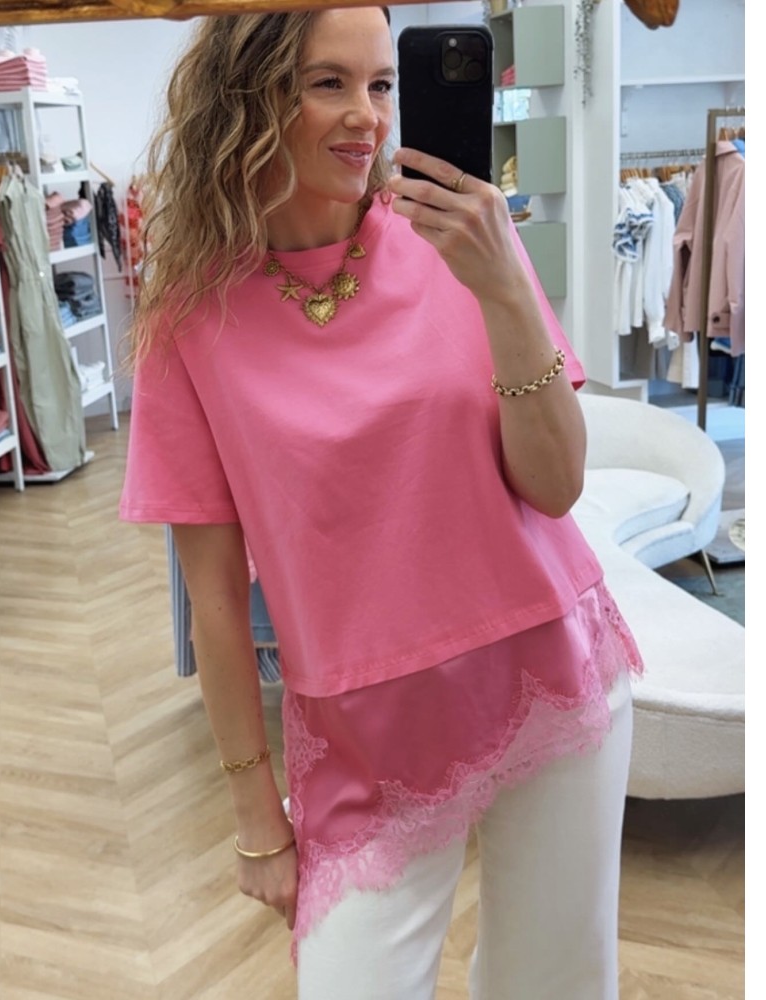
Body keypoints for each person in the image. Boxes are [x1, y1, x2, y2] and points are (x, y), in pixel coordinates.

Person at [119, 7, 643, 998]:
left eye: (381, 84)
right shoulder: (190, 315)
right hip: (367, 737)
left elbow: (555, 485)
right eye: (329, 83)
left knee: (555, 985)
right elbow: (215, 600)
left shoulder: (463, 242)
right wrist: (256, 817)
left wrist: (503, 290)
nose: (368, 116)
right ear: (249, 98)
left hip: (545, 671)